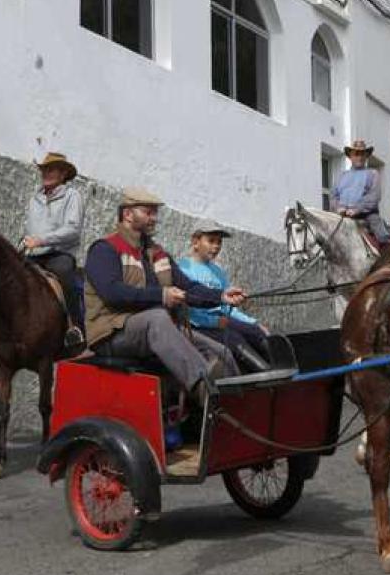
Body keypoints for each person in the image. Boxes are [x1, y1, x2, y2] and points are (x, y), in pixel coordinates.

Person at [84, 187, 244, 405]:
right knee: (158, 317)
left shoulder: (157, 253)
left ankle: (235, 407)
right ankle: (206, 389)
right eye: (148, 212)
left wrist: (221, 296)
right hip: (112, 332)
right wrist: (161, 295)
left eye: (155, 212)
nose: (154, 218)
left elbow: (188, 288)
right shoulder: (104, 249)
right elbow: (112, 293)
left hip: (154, 328)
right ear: (128, 214)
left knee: (220, 351)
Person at [177, 223, 271, 374]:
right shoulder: (183, 268)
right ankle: (266, 373)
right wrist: (214, 322)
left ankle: (281, 368)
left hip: (223, 320)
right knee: (235, 340)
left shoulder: (218, 271)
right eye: (211, 240)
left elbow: (229, 308)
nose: (216, 246)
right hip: (200, 325)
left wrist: (254, 322)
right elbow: (188, 311)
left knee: (256, 332)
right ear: (195, 242)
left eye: (219, 242)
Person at [23, 152, 85, 348]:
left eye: (52, 170)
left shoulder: (72, 196)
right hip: (33, 254)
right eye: (44, 170)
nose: (46, 173)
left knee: (66, 274)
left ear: (63, 174)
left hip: (59, 254)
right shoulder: (35, 199)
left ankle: (75, 327)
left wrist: (42, 241)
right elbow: (30, 230)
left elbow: (73, 231)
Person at [332, 139, 390, 245]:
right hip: (342, 214)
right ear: (350, 156)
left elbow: (374, 196)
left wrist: (357, 209)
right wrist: (338, 208)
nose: (359, 157)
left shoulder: (373, 174)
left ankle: (389, 255)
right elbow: (334, 195)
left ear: (366, 156)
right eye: (356, 154)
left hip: (366, 215)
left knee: (381, 234)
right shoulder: (341, 176)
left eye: (362, 154)